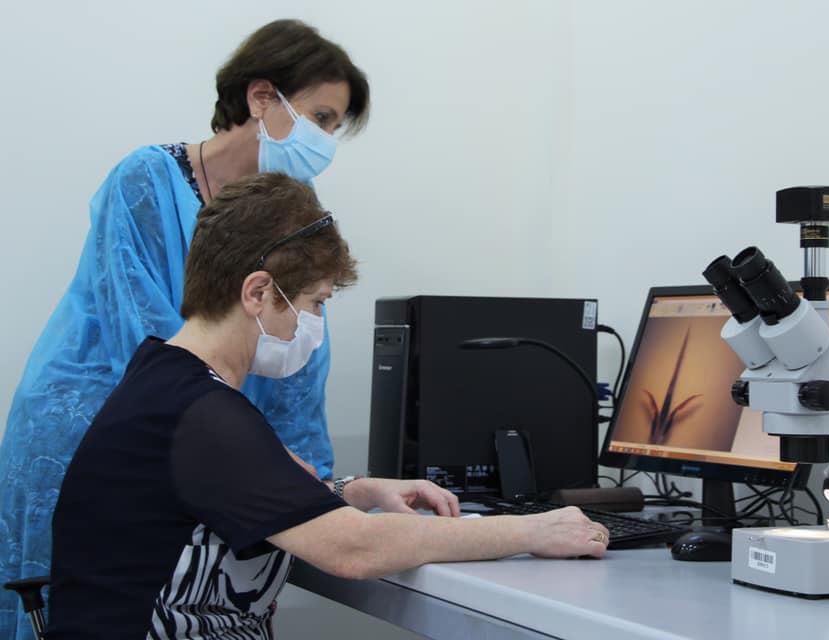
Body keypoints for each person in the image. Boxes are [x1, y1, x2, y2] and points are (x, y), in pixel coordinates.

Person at [43, 173, 610, 638]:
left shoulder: (164, 378)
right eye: (314, 302)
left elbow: (245, 495)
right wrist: (531, 530)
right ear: (257, 292)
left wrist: (355, 490)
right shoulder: (201, 414)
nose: (314, 324)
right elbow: (353, 548)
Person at [0, 19, 369, 640]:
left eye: (336, 127)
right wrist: (256, 460)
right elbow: (146, 343)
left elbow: (301, 361)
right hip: (93, 427)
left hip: (217, 446)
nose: (327, 140)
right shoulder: (145, 180)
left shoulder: (294, 210)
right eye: (322, 118)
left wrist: (314, 484)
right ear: (262, 97)